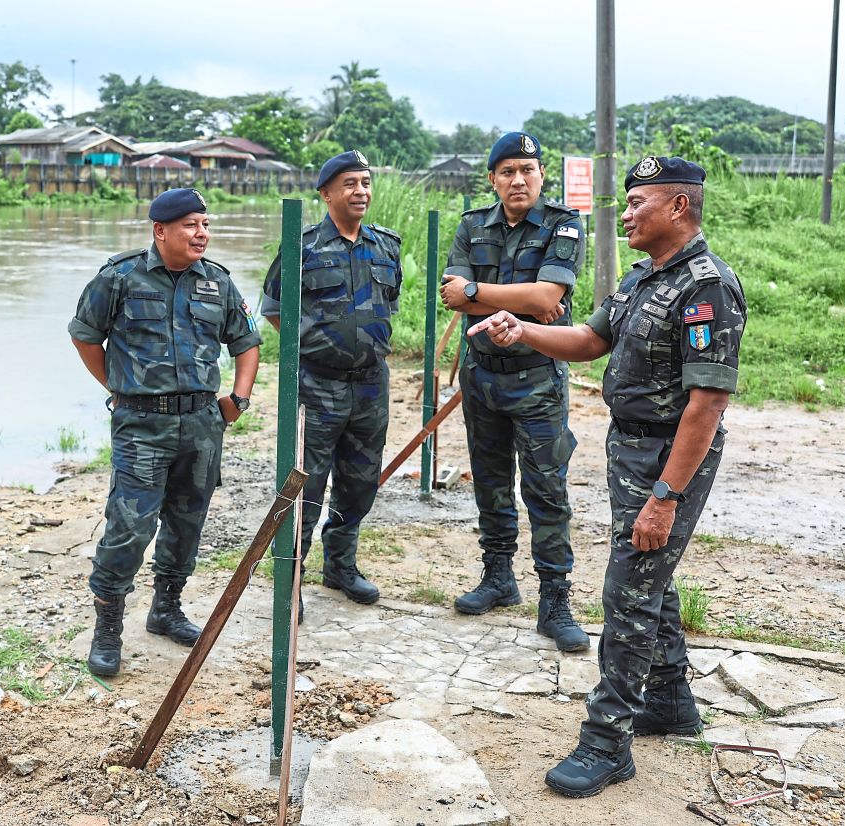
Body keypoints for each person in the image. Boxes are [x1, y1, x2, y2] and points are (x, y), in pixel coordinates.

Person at [469, 156, 747, 797]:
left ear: (677, 207)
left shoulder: (707, 287)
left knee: (628, 592)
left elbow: (706, 405)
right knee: (651, 577)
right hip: (631, 451)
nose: (625, 214)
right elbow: (592, 340)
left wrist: (666, 497)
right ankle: (671, 703)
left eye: (637, 203)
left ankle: (607, 741)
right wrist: (526, 332)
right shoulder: (644, 277)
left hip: (669, 458)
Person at [67, 187, 261, 677]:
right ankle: (108, 626)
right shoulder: (120, 276)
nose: (202, 234)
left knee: (186, 521)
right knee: (130, 524)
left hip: (201, 424)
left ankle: (166, 609)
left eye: (206, 225)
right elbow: (84, 334)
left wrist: (238, 399)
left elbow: (247, 341)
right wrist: (116, 384)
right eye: (191, 225)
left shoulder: (216, 282)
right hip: (142, 425)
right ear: (161, 230)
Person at [438, 131, 590, 652]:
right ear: (493, 179)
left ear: (541, 174)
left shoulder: (564, 224)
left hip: (537, 381)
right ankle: (499, 577)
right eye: (507, 171)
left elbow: (547, 295)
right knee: (491, 482)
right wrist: (518, 301)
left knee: (546, 491)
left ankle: (555, 600)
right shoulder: (471, 225)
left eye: (527, 169)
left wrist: (477, 292)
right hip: (483, 379)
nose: (517, 179)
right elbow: (450, 298)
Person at [260, 150, 402, 621]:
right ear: (326, 193)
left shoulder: (385, 246)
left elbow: (389, 304)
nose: (360, 192)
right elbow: (276, 309)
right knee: (307, 486)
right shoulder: (300, 246)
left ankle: (340, 564)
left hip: (370, 387)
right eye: (349, 184)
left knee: (360, 483)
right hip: (317, 386)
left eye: (365, 183)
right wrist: (318, 348)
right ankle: (293, 578)